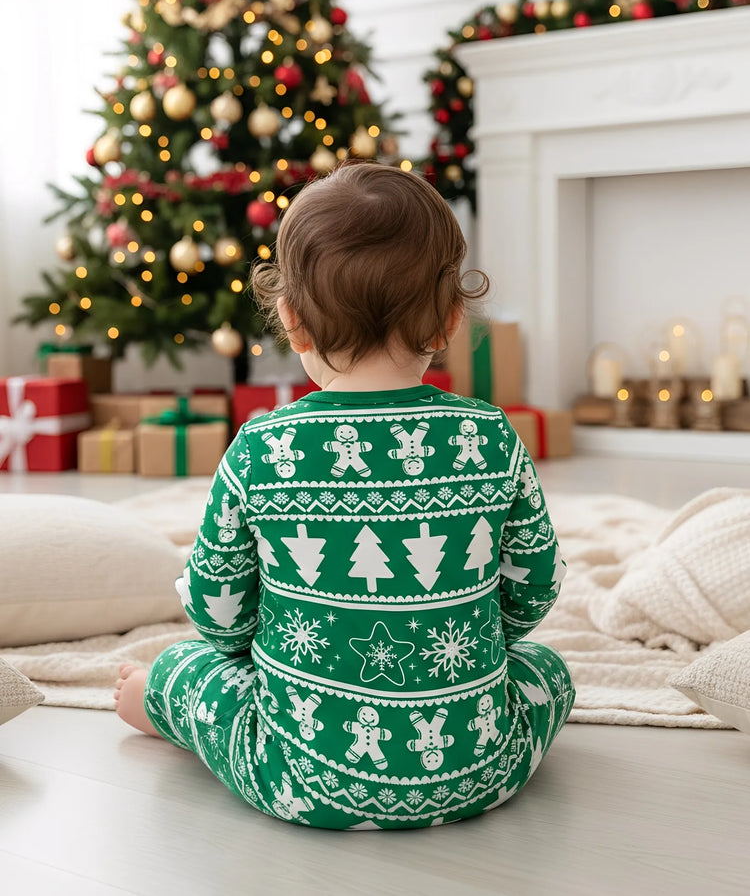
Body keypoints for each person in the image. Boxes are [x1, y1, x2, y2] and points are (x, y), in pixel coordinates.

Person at [115, 161, 574, 830]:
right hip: (483, 769)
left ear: (292, 321)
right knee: (548, 670)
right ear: (449, 320)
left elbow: (220, 614)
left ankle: (147, 702)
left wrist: (271, 648)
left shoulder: (259, 447)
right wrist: (468, 646)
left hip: (295, 777)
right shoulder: (490, 435)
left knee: (186, 664)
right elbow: (531, 592)